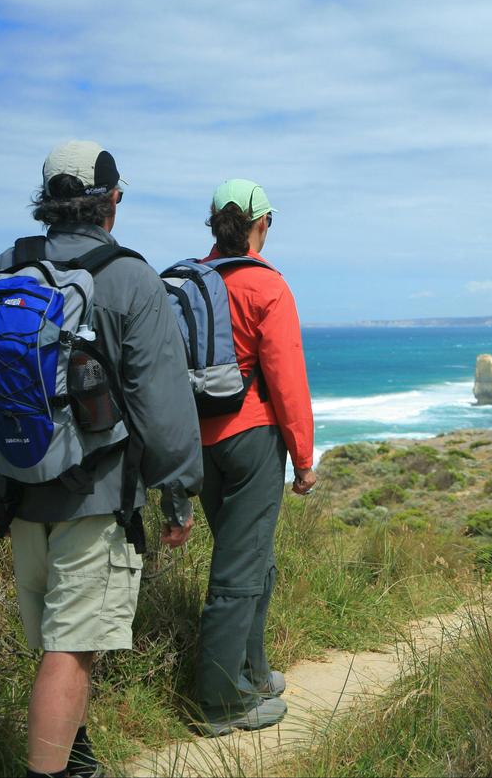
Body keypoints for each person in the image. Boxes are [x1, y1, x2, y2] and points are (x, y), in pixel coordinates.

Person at [0, 140, 203, 778]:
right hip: (97, 500)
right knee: (70, 652)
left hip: (19, 489)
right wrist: (179, 494)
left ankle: (78, 760)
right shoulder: (130, 278)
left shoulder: (1, 271)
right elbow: (164, 407)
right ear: (110, 202)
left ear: (48, 203)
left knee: (52, 643)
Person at [193, 178, 316, 736]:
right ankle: (221, 704)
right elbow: (287, 380)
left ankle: (255, 674)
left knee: (252, 556)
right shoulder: (267, 286)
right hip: (251, 438)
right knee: (239, 569)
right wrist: (303, 457)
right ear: (262, 223)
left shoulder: (189, 281)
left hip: (197, 442)